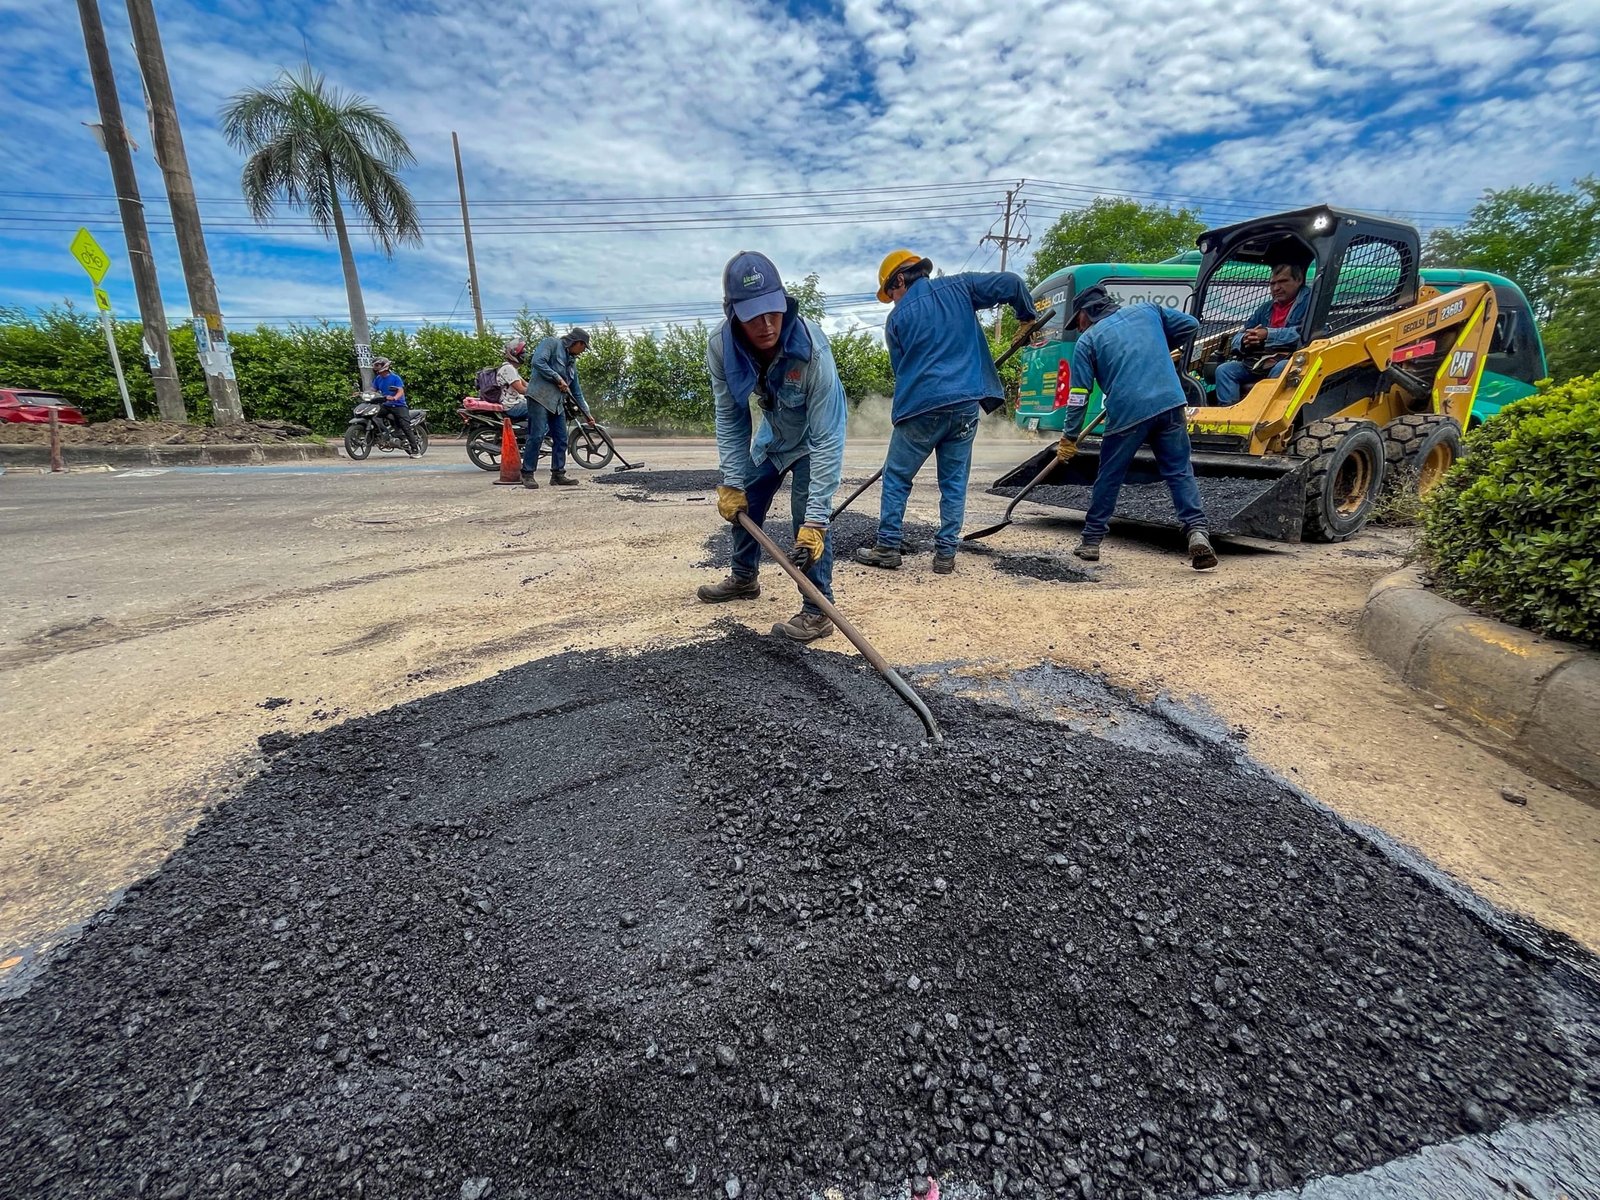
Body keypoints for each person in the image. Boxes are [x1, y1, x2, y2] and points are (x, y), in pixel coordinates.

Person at [853, 250, 1038, 575]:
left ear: (900, 279)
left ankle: (887, 546)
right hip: (965, 406)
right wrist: (1027, 317)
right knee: (953, 482)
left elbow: (902, 371)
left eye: (892, 293)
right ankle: (945, 554)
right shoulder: (961, 287)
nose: (894, 300)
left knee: (896, 477)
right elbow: (1011, 282)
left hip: (920, 409)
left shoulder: (895, 320)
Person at [697, 251, 847, 643]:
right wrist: (731, 481)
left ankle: (817, 610)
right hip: (774, 437)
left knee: (806, 521)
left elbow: (829, 435)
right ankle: (744, 578)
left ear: (784, 303)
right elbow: (731, 416)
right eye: (752, 316)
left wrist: (816, 520)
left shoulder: (812, 349)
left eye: (773, 312)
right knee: (746, 498)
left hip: (813, 442)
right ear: (733, 315)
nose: (766, 325)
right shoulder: (720, 346)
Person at [1058, 286, 1218, 571]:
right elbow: (1191, 325)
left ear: (1086, 313)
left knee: (1110, 475)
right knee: (1179, 470)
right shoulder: (1147, 311)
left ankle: (1091, 542)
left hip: (1128, 413)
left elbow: (1079, 394)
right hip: (1169, 402)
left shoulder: (1088, 340)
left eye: (1077, 320)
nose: (1078, 326)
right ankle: (1196, 530)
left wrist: (1070, 436)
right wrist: (1156, 346)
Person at [1213, 263, 1312, 405]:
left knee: (1283, 367)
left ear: (1299, 280)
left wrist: (1267, 335)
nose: (1276, 288)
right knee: (1224, 370)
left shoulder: (1311, 303)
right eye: (1272, 284)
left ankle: (1262, 413)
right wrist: (1245, 340)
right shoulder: (1266, 308)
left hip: (1293, 360)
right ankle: (1228, 416)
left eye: (1283, 281)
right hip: (1259, 361)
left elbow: (1306, 334)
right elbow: (1239, 336)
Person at [522, 328, 595, 488]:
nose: (583, 351)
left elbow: (577, 391)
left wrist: (587, 415)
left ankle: (558, 475)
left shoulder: (571, 363)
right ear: (578, 343)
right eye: (584, 347)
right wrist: (556, 377)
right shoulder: (551, 343)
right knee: (537, 435)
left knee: (562, 438)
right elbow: (537, 361)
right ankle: (527, 474)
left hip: (557, 404)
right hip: (539, 397)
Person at [370, 356, 419, 455]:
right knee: (374, 415)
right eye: (375, 365)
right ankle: (384, 434)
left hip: (399, 405)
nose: (375, 367)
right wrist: (363, 394)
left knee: (405, 426)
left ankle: (415, 450)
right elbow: (372, 390)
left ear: (385, 365)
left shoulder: (395, 378)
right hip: (386, 405)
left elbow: (400, 390)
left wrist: (395, 397)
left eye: (377, 365)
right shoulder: (378, 379)